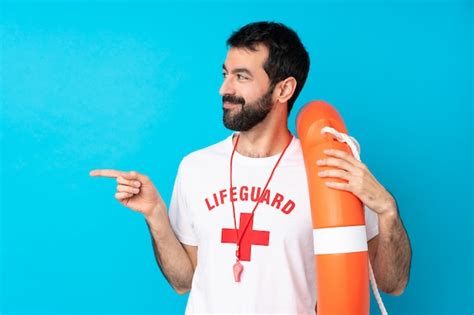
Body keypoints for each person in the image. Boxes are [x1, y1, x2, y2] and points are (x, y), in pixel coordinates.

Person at [90, 21, 412, 314]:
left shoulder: (329, 171)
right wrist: (155, 214)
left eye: (241, 77)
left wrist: (388, 211)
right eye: (225, 74)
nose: (224, 89)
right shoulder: (195, 167)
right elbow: (183, 281)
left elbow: (392, 283)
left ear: (283, 89)